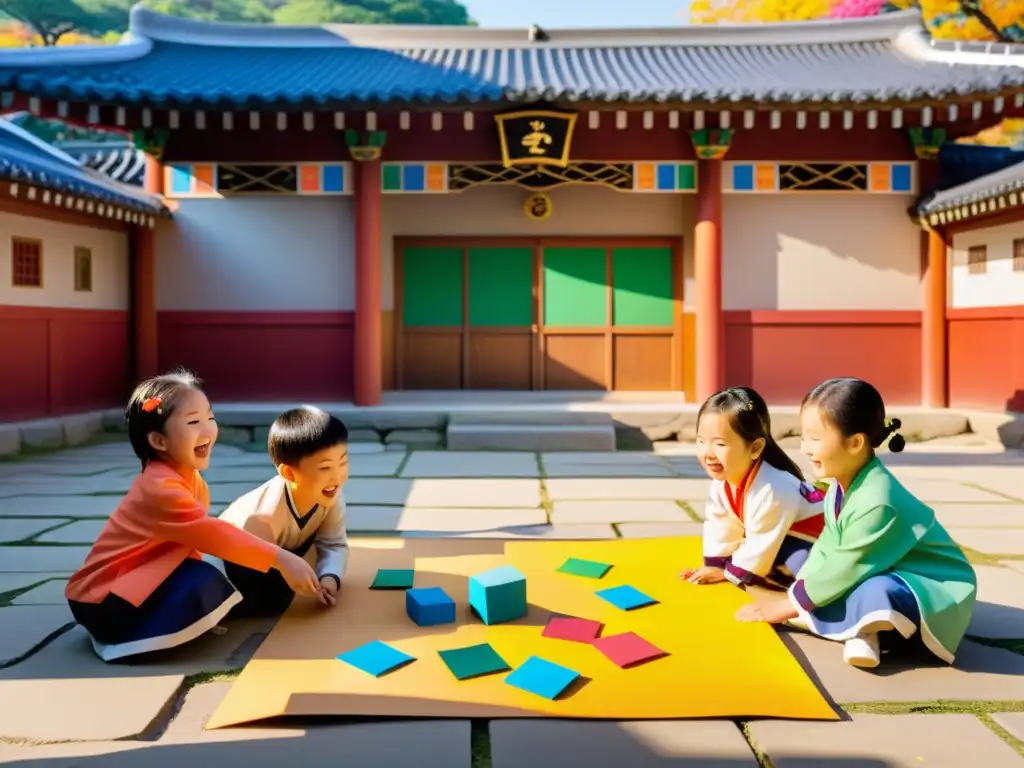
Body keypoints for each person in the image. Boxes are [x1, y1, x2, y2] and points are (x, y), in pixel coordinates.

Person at [65, 370, 321, 662]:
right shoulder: (159, 488)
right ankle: (117, 640)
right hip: (103, 598)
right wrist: (283, 559)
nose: (208, 430)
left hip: (133, 580)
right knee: (205, 583)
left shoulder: (186, 475)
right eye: (193, 422)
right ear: (159, 441)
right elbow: (213, 533)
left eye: (209, 418)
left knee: (219, 580)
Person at [736, 377, 977, 670]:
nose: (806, 448)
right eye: (803, 437)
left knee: (873, 589)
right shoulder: (841, 485)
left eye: (815, 438)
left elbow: (847, 566)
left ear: (855, 443)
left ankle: (865, 632)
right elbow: (829, 546)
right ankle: (862, 627)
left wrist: (787, 606)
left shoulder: (879, 500)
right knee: (804, 558)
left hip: (930, 583)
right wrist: (797, 593)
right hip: (879, 564)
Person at [681, 386, 826, 590]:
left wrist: (729, 572)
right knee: (766, 563)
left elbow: (761, 541)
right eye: (701, 441)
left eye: (720, 444)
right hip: (780, 538)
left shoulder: (773, 487)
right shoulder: (723, 482)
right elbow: (722, 524)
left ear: (755, 448)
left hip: (814, 539)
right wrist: (716, 565)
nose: (708, 453)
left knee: (803, 570)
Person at [219, 405, 350, 617]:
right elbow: (256, 565)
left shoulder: (331, 495)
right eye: (325, 468)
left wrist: (330, 577)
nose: (337, 477)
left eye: (342, 463)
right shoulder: (260, 516)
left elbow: (334, 544)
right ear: (289, 472)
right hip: (235, 568)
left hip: (282, 558)